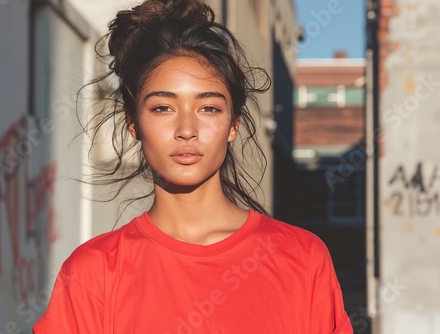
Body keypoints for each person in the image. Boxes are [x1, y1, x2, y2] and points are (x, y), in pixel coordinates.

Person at [33, 0, 353, 333]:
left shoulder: (302, 259)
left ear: (233, 125)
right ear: (133, 123)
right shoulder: (93, 272)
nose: (187, 129)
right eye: (162, 108)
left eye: (209, 108)